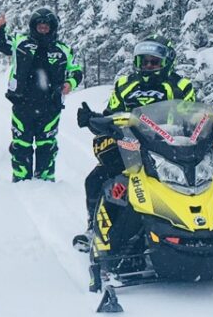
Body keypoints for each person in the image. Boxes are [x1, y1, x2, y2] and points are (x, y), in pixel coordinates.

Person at [75, 35, 196, 259]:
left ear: (167, 62)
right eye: (144, 62)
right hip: (131, 148)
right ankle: (96, 229)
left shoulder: (180, 86)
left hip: (172, 149)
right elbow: (111, 116)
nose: (149, 66)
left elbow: (192, 119)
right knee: (98, 179)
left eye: (154, 62)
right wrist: (92, 119)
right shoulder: (125, 84)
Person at [0, 8, 83, 181]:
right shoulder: (20, 42)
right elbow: (2, 44)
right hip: (22, 103)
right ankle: (21, 178)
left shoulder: (63, 49)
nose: (42, 29)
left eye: (46, 27)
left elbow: (77, 70)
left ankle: (45, 179)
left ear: (52, 28)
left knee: (47, 145)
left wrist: (69, 83)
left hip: (51, 105)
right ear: (33, 26)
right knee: (21, 144)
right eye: (39, 26)